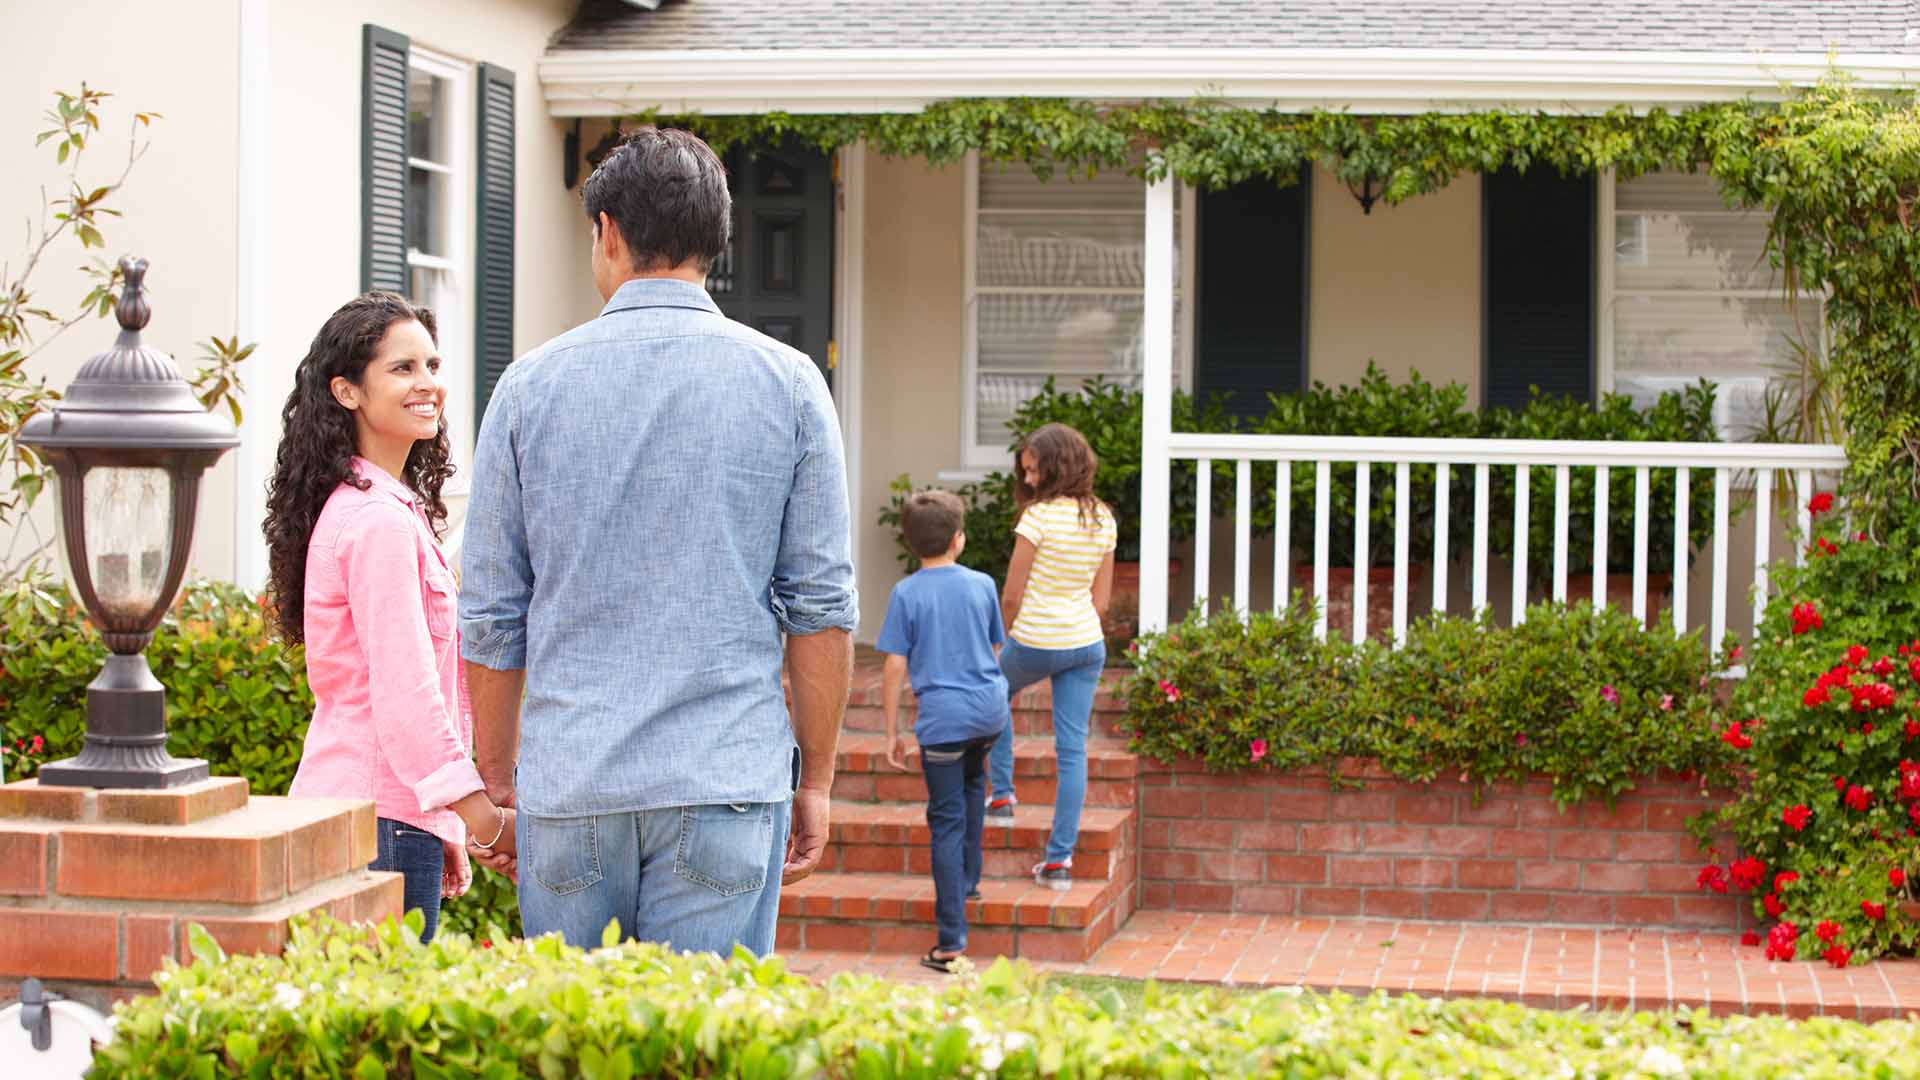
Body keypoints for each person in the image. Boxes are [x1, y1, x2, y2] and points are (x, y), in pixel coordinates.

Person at [458, 127, 857, 957]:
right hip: (726, 776)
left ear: (607, 231)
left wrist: (496, 781)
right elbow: (821, 610)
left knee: (573, 1047)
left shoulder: (529, 386)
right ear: (718, 237)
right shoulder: (788, 384)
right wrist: (814, 779)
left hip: (573, 783)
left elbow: (494, 612)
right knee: (703, 1046)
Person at [264, 292, 516, 943]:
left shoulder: (378, 508)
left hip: (367, 813)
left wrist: (449, 821)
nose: (428, 383)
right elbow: (406, 700)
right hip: (378, 822)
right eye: (402, 369)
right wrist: (482, 817)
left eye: (431, 364)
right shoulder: (376, 521)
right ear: (346, 391)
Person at [875, 490, 1011, 973]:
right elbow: (995, 647)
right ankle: (968, 880)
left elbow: (894, 664)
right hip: (989, 713)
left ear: (913, 544)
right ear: (958, 539)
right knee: (975, 787)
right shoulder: (982, 584)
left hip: (943, 721)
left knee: (946, 820)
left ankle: (951, 941)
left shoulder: (907, 593)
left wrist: (891, 730)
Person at [986, 423, 1117, 890]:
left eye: (1035, 470)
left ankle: (1001, 794)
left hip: (1036, 639)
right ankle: (1059, 860)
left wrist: (1002, 639)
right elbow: (1102, 602)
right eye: (1026, 472)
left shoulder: (1037, 519)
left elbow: (1011, 595)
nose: (1030, 480)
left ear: (1056, 466)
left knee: (992, 695)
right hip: (1085, 645)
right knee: (1073, 750)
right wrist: (1078, 631)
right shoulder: (1103, 518)